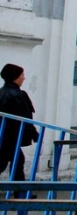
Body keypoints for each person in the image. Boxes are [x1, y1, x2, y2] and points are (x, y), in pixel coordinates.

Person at [0, 64, 39, 198]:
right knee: (14, 160)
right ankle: (20, 192)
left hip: (5, 134)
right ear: (15, 77)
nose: (24, 78)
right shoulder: (16, 95)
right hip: (10, 135)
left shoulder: (2, 92)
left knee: (14, 160)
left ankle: (20, 191)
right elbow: (23, 116)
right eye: (22, 75)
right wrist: (33, 133)